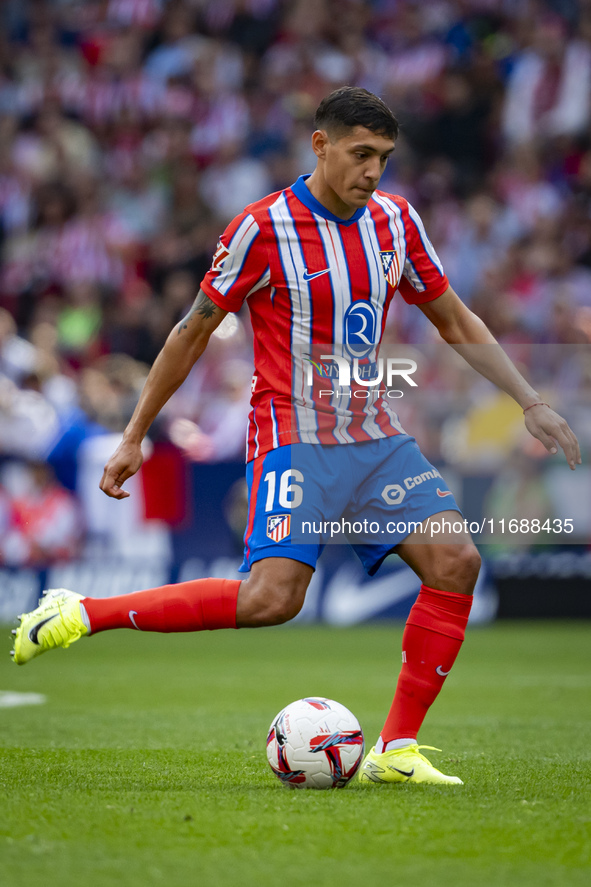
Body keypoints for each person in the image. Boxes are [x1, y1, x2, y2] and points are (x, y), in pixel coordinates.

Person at [11, 88, 581, 786]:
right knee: (271, 600)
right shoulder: (262, 227)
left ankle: (394, 751)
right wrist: (134, 433)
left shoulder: (397, 222)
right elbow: (190, 330)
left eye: (384, 158)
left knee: (456, 560)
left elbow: (454, 320)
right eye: (360, 154)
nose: (372, 172)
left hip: (374, 437)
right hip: (294, 437)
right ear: (320, 145)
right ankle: (81, 611)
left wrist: (529, 399)